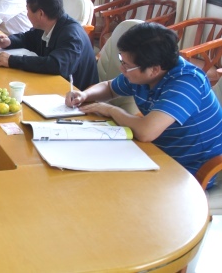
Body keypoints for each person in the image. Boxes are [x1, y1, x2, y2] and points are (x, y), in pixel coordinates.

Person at [66, 23, 222, 186]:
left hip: (190, 169)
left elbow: (146, 132)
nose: (122, 68)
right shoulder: (143, 72)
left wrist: (111, 110)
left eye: (126, 65)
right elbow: (109, 88)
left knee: (104, 184)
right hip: (155, 151)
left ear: (154, 70)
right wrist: (84, 95)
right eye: (121, 60)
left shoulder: (187, 83)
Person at [0, 0, 98, 90]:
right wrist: (10, 41)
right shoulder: (49, 23)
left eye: (28, 10)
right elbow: (28, 38)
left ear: (40, 14)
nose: (27, 14)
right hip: (53, 85)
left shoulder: (71, 34)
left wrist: (12, 61)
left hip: (77, 94)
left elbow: (56, 65)